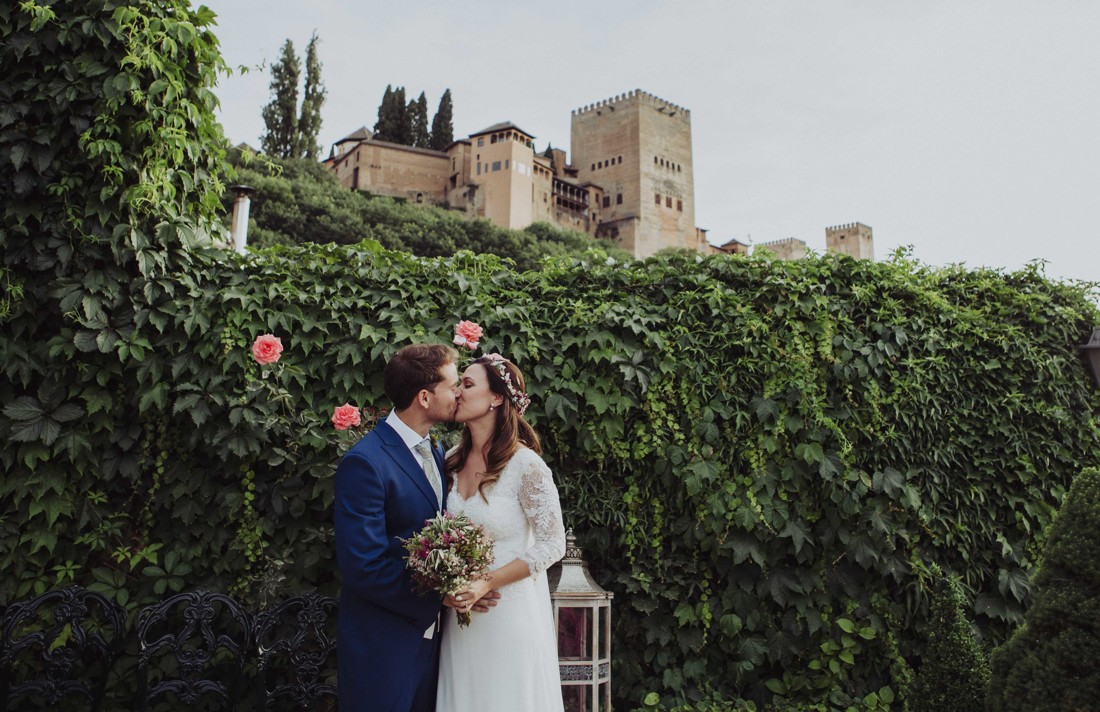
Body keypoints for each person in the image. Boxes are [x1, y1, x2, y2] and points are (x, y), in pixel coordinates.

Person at [335, 343, 498, 712]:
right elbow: (364, 566)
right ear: (425, 397)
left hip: (437, 647)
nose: (459, 392)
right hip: (383, 647)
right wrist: (441, 595)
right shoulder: (365, 463)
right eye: (452, 385)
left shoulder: (440, 454)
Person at [436, 353, 567, 711]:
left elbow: (553, 543)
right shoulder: (449, 460)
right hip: (460, 619)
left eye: (467, 383)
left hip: (507, 615)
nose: (457, 392)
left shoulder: (526, 465)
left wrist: (487, 582)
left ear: (496, 398)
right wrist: (448, 587)